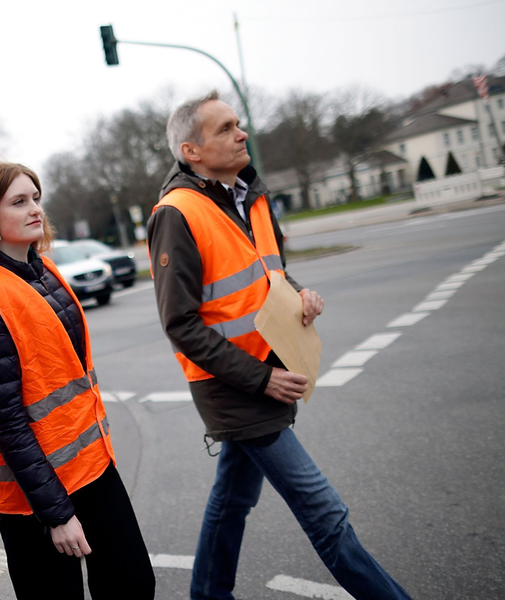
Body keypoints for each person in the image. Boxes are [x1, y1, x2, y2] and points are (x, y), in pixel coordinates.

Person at [146, 92, 411, 600]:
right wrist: (261, 378)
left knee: (232, 502)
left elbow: (271, 275)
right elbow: (180, 323)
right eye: (225, 128)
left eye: (237, 123)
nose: (241, 133)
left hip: (269, 372)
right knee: (326, 515)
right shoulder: (177, 213)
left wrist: (300, 294)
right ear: (191, 151)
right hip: (237, 387)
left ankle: (208, 595)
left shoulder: (251, 196)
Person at [0, 162, 155, 600]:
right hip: (34, 497)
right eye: (19, 202)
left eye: (36, 198)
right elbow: (7, 422)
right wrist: (57, 514)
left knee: (133, 584)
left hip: (91, 468)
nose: (35, 209)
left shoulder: (46, 272)